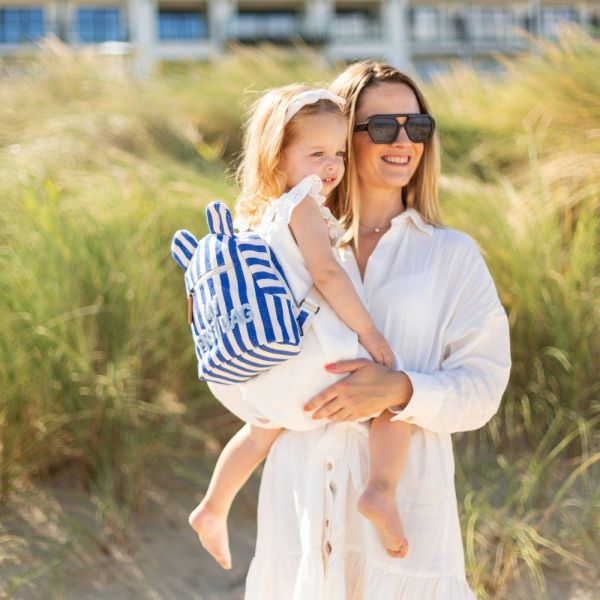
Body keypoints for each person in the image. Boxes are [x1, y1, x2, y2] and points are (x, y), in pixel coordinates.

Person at [219, 61, 510, 599]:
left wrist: (401, 389)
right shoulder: (283, 247)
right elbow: (245, 380)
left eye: (417, 126)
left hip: (407, 527)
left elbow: (484, 388)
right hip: (301, 516)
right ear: (339, 136)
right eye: (382, 127)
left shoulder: (451, 255)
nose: (404, 141)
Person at [188, 84, 415, 571]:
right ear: (277, 157)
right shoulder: (302, 205)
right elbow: (326, 275)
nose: (332, 166)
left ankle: (213, 506)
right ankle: (380, 490)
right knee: (395, 398)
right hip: (320, 363)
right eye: (316, 153)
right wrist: (371, 335)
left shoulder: (259, 219)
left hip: (275, 379)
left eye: (337, 153)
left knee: (259, 432)